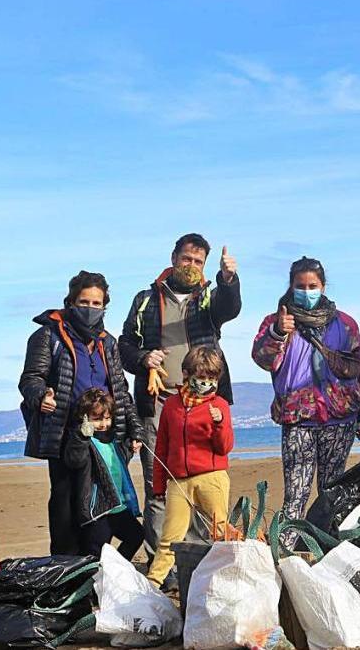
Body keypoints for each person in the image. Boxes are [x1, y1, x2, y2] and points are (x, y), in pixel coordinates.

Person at [119, 233, 241, 556]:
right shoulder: (144, 301)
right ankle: (163, 561)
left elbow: (229, 308)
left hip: (203, 402)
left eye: (198, 262)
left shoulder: (208, 299)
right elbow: (124, 346)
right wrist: (144, 359)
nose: (191, 266)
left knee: (203, 479)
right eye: (187, 259)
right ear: (174, 258)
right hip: (158, 402)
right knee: (158, 482)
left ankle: (201, 558)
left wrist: (228, 280)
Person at [19, 271, 141, 556]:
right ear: (71, 302)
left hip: (105, 438)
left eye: (97, 303)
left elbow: (121, 390)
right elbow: (30, 379)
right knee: (65, 506)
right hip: (63, 437)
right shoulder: (48, 337)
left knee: (104, 505)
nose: (90, 308)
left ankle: (100, 569)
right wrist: (41, 396)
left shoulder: (107, 343)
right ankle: (66, 571)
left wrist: (134, 430)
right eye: (84, 301)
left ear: (104, 306)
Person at [252, 256, 360, 531]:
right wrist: (277, 333)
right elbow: (262, 359)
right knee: (295, 494)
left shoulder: (344, 324)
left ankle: (328, 549)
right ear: (291, 285)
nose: (307, 291)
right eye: (301, 285)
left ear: (323, 285)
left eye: (312, 285)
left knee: (332, 493)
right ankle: (285, 552)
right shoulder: (276, 322)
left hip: (340, 418)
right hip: (298, 418)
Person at [146, 345, 235, 588]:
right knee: (169, 537)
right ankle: (152, 585)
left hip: (212, 477)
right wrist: (158, 484)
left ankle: (229, 578)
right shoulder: (172, 406)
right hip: (178, 481)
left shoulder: (220, 405)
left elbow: (225, 447)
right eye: (201, 376)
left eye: (212, 378)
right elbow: (161, 447)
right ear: (186, 374)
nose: (206, 382)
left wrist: (218, 424)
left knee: (220, 532)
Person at [63, 388, 144, 560]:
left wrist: (132, 444)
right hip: (98, 510)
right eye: (97, 419)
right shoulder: (85, 441)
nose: (103, 423)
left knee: (136, 535)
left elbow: (122, 459)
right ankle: (94, 581)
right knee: (95, 551)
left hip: (118, 506)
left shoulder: (113, 440)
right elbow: (74, 460)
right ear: (85, 418)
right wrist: (81, 437)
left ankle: (115, 570)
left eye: (107, 418)